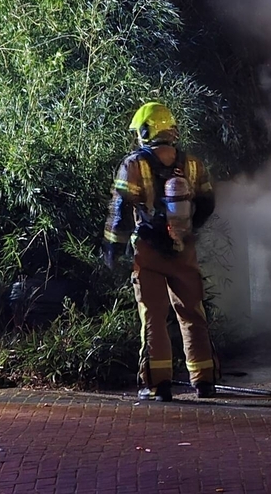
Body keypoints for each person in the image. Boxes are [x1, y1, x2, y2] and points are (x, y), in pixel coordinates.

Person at [103, 102, 218, 401]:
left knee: (153, 316)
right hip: (184, 250)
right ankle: (204, 381)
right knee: (192, 314)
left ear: (145, 130)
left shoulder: (133, 165)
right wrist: (185, 231)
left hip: (148, 250)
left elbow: (120, 209)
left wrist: (113, 246)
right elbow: (207, 203)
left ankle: (157, 384)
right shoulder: (192, 164)